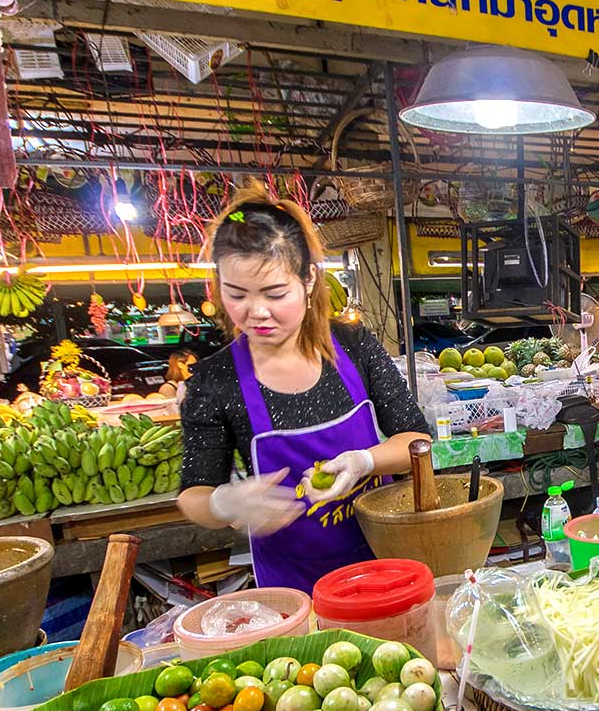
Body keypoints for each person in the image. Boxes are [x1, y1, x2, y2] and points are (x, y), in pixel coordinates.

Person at [177, 183, 431, 589]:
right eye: (236, 294)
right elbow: (193, 493)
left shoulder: (353, 346)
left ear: (309, 279)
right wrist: (223, 503)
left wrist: (364, 462)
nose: (256, 312)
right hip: (292, 584)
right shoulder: (214, 381)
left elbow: (417, 440)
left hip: (381, 561)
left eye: (275, 293)